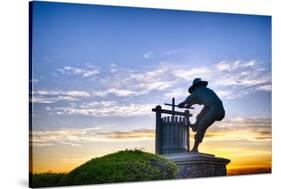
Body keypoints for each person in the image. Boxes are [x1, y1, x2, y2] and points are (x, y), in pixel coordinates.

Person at [178, 78, 225, 152]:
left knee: (202, 125)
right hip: (212, 107)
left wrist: (183, 103)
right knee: (199, 116)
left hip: (215, 108)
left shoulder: (198, 91)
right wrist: (189, 104)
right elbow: (197, 100)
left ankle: (195, 148)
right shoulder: (205, 91)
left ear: (196, 86)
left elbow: (190, 98)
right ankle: (195, 126)